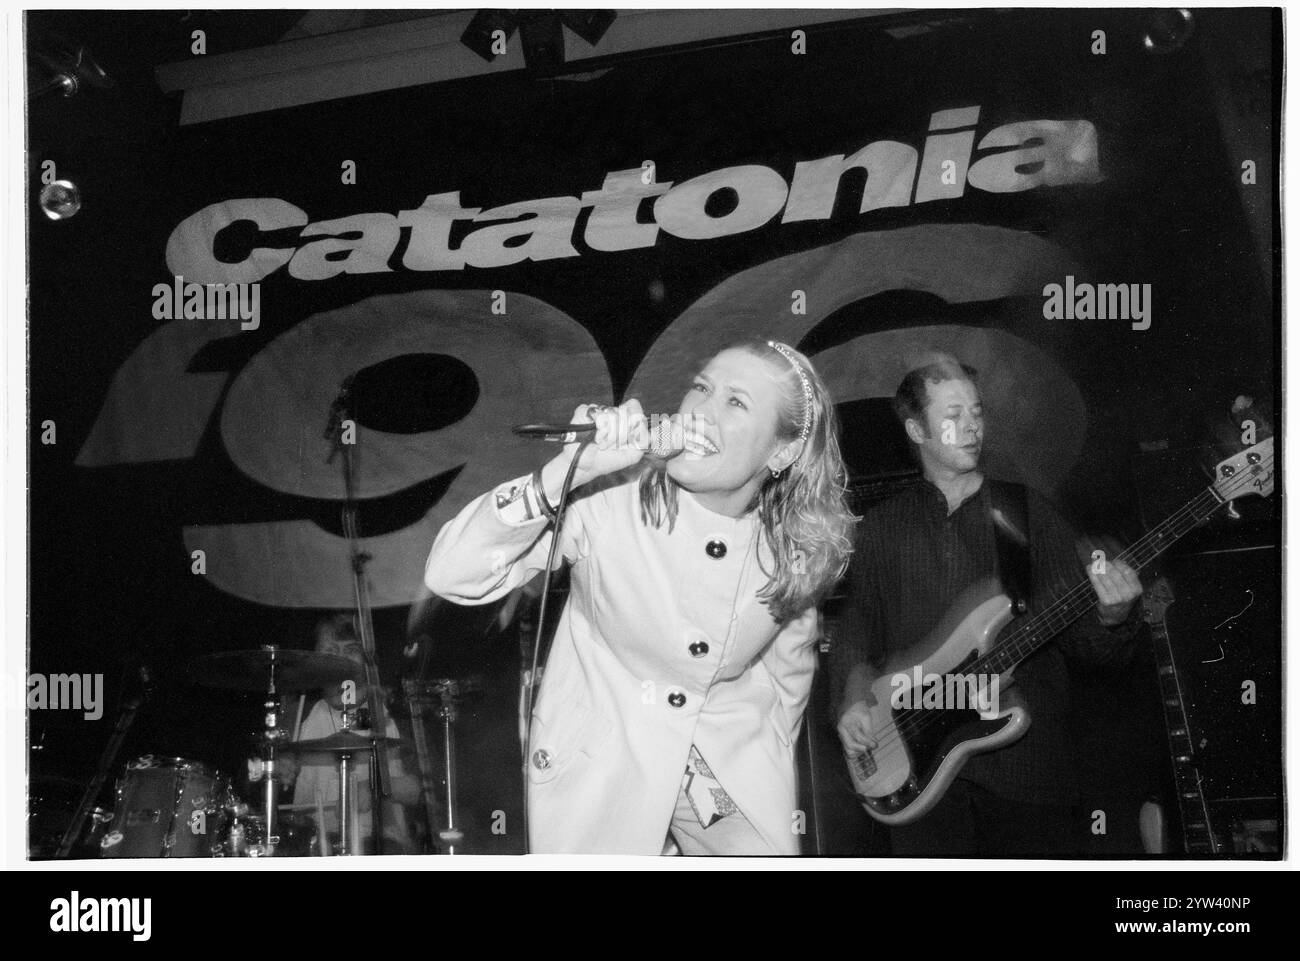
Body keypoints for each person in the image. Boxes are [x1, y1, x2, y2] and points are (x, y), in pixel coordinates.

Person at [424, 340, 855, 855]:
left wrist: (763, 765)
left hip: (729, 783)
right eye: (701, 387)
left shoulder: (793, 546)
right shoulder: (609, 498)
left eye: (735, 402)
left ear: (782, 451)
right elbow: (453, 573)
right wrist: (570, 474)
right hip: (604, 772)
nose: (700, 411)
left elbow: (789, 674)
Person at [833, 355, 1143, 857]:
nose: (972, 425)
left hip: (1027, 775)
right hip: (918, 775)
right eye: (953, 414)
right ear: (917, 428)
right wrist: (850, 699)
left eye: (976, 412)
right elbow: (856, 630)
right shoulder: (881, 530)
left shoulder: (1024, 513)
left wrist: (1112, 617)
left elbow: (1089, 649)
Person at [281, 614, 422, 855]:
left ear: (368, 660)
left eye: (352, 649)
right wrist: (275, 768)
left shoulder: (394, 710)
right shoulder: (298, 711)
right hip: (311, 848)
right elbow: (254, 783)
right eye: (330, 649)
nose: (340, 658)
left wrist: (376, 787)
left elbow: (421, 790)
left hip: (380, 849)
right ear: (314, 658)